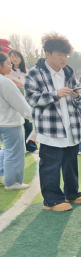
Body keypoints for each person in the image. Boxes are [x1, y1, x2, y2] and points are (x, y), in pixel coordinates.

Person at [25, 32, 81, 211]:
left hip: (71, 128)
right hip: (50, 129)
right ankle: (52, 200)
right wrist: (55, 94)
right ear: (47, 54)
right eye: (60, 54)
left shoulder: (69, 73)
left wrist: (76, 96)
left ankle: (72, 193)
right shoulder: (34, 74)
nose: (64, 58)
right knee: (50, 166)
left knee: (71, 164)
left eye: (66, 55)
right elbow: (31, 99)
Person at [0, 52, 32, 190]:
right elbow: (19, 103)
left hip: (3, 122)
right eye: (8, 63)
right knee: (14, 153)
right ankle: (12, 182)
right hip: (9, 123)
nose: (10, 66)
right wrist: (32, 116)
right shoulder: (5, 82)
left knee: (5, 151)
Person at [6, 50, 37, 154]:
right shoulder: (7, 71)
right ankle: (17, 147)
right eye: (12, 57)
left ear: (21, 58)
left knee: (29, 125)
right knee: (15, 126)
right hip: (12, 103)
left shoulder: (27, 72)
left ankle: (31, 146)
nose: (14, 59)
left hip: (26, 102)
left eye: (17, 57)